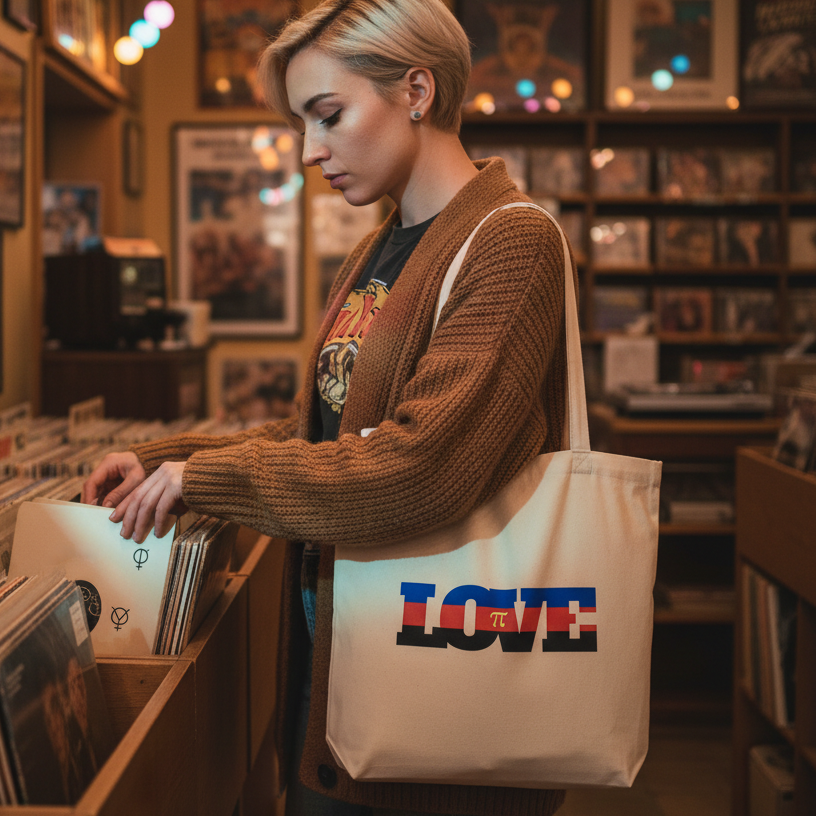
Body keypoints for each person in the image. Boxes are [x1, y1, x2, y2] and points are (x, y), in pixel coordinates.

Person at [82, 1, 575, 814]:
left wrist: (209, 480)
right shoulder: (378, 246)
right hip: (341, 685)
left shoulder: (510, 241)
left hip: (440, 720)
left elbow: (420, 470)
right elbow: (323, 435)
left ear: (417, 90)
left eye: (329, 115)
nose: (310, 151)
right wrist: (172, 461)